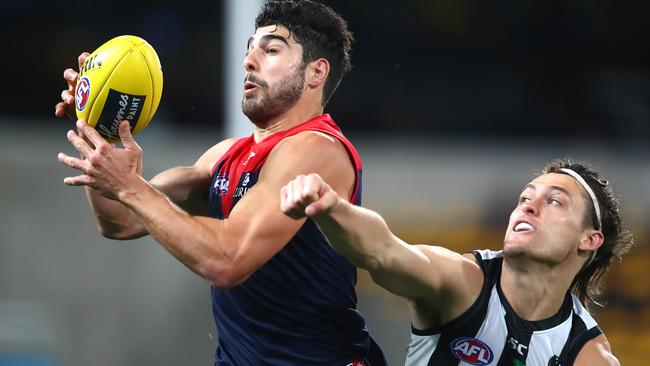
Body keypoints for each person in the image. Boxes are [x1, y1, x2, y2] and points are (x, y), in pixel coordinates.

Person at [54, 1, 386, 365]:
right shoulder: (226, 155)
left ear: (316, 72)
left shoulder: (318, 149)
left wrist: (131, 187)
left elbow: (228, 260)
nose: (249, 61)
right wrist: (99, 127)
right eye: (249, 50)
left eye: (271, 49)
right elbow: (120, 221)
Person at [281, 159, 634, 365]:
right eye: (525, 197)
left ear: (590, 239)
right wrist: (331, 208)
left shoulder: (587, 354)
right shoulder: (463, 282)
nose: (528, 206)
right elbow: (383, 251)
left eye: (554, 202)